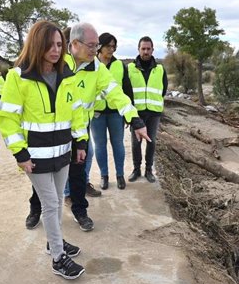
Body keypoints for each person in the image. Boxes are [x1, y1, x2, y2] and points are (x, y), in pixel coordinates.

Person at [24, 23, 150, 232]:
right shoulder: (56, 63)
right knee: (44, 171)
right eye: (91, 45)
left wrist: (134, 119)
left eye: (97, 45)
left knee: (78, 171)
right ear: (74, 44)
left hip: (80, 129)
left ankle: (79, 210)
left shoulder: (97, 68)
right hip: (53, 130)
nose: (95, 50)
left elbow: (115, 92)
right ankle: (35, 209)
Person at [0, 20, 87, 279]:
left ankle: (53, 242)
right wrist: (20, 153)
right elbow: (6, 118)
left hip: (62, 153)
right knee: (49, 203)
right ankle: (58, 258)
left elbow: (77, 112)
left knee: (58, 201)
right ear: (37, 45)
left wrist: (80, 142)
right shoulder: (18, 77)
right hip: (35, 157)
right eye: (50, 45)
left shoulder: (67, 75)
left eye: (60, 44)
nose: (56, 50)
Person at [91, 33, 131, 190]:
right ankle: (104, 176)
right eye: (109, 46)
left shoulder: (120, 65)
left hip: (116, 113)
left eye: (114, 46)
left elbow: (127, 90)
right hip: (97, 114)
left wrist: (129, 114)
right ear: (100, 46)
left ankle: (120, 175)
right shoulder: (91, 65)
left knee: (118, 144)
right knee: (100, 145)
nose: (112, 49)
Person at [127, 36, 168, 183]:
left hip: (154, 112)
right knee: (136, 142)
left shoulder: (160, 69)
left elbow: (163, 89)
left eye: (148, 49)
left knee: (152, 142)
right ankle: (136, 169)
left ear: (152, 50)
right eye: (143, 48)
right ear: (138, 49)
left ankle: (149, 170)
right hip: (136, 112)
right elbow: (127, 91)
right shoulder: (130, 68)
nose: (145, 51)